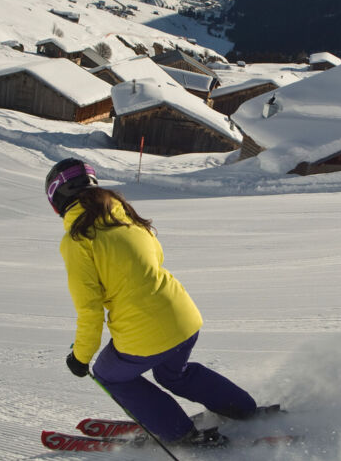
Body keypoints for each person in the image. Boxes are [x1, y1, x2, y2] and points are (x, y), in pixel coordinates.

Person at [45, 158, 258, 448]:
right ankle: (244, 408)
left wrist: (81, 358)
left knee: (109, 374)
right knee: (173, 374)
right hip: (184, 318)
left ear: (57, 197)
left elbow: (89, 310)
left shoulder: (78, 240)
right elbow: (154, 260)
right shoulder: (127, 218)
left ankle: (181, 434)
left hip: (146, 334)